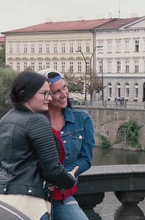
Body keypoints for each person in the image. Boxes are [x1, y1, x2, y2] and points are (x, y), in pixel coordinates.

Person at [0, 71, 78, 220]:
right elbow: (52, 168)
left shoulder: (7, 117)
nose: (49, 98)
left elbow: (5, 160)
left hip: (0, 199)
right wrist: (70, 179)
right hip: (27, 203)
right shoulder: (37, 121)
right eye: (45, 93)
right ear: (25, 94)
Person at [37, 69, 95, 220]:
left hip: (61, 196)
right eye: (56, 91)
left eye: (64, 87)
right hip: (34, 195)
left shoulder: (82, 119)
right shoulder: (32, 121)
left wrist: (62, 177)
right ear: (45, 95)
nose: (64, 94)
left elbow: (86, 159)